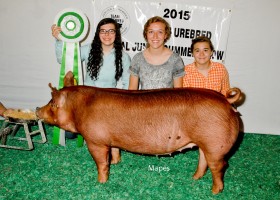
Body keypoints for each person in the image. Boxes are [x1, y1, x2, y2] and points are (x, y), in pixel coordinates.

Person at [51, 18, 131, 139]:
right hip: (86, 99)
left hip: (107, 102)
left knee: (103, 134)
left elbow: (127, 83)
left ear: (116, 34)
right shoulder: (88, 49)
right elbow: (63, 60)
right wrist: (59, 40)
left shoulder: (124, 57)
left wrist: (120, 106)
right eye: (103, 31)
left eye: (111, 31)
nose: (107, 35)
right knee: (70, 134)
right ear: (98, 33)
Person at [128, 16, 185, 90]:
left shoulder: (175, 60)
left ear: (166, 35)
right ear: (146, 35)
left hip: (168, 101)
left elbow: (178, 93)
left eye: (160, 32)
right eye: (151, 32)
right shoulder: (138, 58)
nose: (155, 36)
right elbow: (132, 90)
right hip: (142, 101)